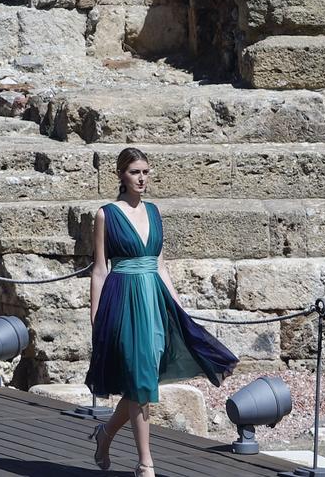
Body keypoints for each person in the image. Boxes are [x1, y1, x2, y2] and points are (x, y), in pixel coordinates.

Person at [86, 147, 237, 477]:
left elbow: (161, 265)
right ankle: (145, 464)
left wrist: (179, 307)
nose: (142, 178)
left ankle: (106, 434)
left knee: (144, 379)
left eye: (145, 172)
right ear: (120, 176)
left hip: (154, 300)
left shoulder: (154, 212)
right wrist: (95, 316)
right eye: (135, 172)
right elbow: (99, 269)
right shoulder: (105, 214)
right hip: (122, 298)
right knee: (140, 379)